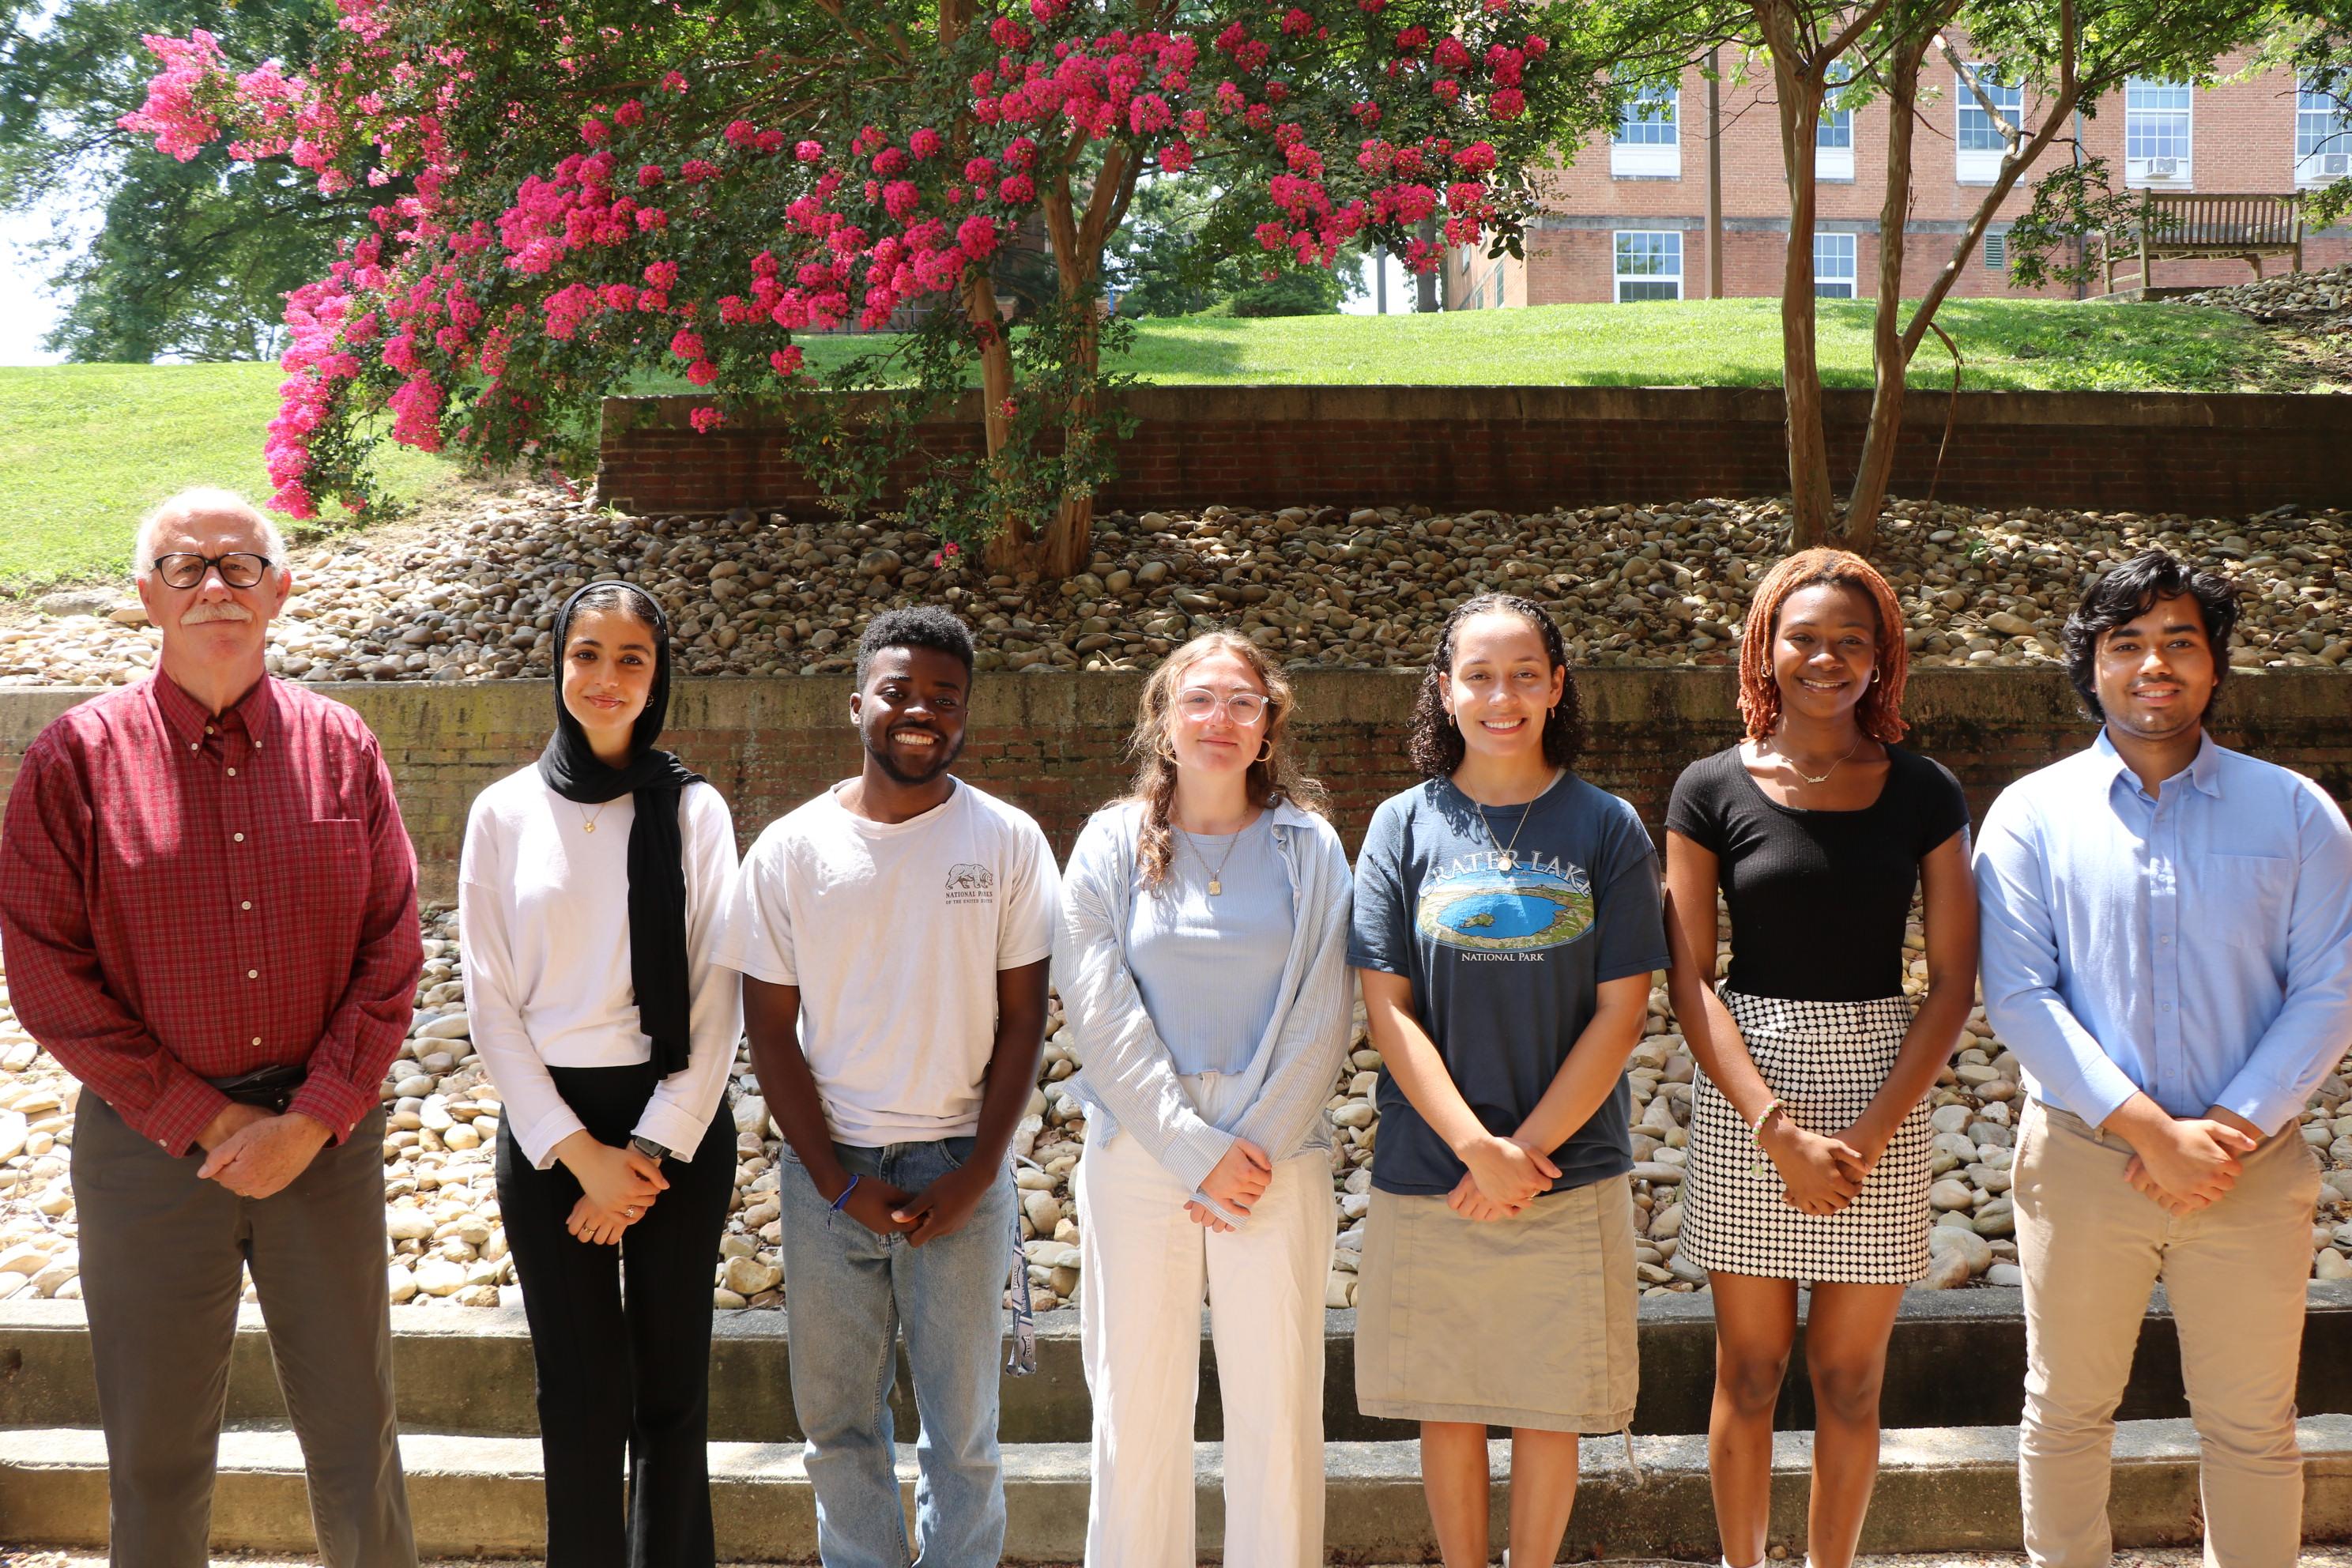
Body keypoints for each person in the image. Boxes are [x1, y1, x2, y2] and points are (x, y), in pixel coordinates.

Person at [0, 488, 420, 1567]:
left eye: (240, 564)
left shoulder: (343, 748)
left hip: (324, 1146)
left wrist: (314, 1117)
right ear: (146, 597)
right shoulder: (75, 761)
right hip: (148, 1155)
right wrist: (197, 1118)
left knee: (356, 1437)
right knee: (153, 1448)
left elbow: (391, 953)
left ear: (281, 588)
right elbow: (47, 975)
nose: (215, 587)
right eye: (185, 568)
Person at [1974, 550, 2352, 1568]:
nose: (2155, 665)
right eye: (2127, 644)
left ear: (2216, 667)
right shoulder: (2029, 817)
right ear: (2091, 668)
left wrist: (2222, 1133)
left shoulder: (2299, 814)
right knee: (2064, 1411)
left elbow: (2331, 987)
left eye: (2180, 642)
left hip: (2251, 1163)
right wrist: (2151, 1131)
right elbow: (2018, 993)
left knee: (2254, 1425)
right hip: (2085, 1162)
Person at [710, 606, 1058, 1568]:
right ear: (856, 699)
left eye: (945, 698)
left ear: (966, 717)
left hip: (961, 1166)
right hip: (832, 1178)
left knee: (967, 1437)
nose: (921, 711)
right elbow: (769, 1029)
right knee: (838, 1430)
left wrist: (981, 1168)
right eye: (899, 690)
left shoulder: (1008, 841)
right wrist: (832, 1178)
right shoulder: (788, 849)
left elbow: (1025, 1017)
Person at [1660, 548, 1979, 1568]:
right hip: (1749, 1088)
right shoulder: (1709, 785)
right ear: (1765, 647)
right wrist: (1776, 1127)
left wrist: (1869, 1131)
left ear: (1881, 656)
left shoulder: (1924, 790)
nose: (1826, 657)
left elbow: (1954, 983)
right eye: (1804, 636)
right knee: (1748, 1373)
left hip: (1881, 1089)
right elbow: (1693, 981)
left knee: (1850, 1380)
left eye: (1852, 640)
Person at [1348, 592, 1667, 1568]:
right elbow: (1387, 1007)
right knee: (1447, 1401)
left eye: (1525, 673)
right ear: (1443, 691)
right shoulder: (1400, 826)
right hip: (1432, 1166)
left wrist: (1522, 1154)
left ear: (1557, 685)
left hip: (1566, 1171)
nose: (1502, 696)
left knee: (1550, 1402)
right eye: (1478, 675)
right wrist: (1475, 1150)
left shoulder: (1608, 826)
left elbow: (1623, 1011)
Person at [1055, 631, 1354, 1568]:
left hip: (1278, 1158)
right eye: (1200, 700)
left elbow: (1326, 1008)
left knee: (1278, 1412)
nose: (1220, 719)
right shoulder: (1108, 842)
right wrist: (1193, 1150)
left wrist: (1248, 1145)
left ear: (1270, 725)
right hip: (1142, 1154)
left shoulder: (1312, 846)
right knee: (1135, 1409)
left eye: (1242, 702)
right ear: (1163, 718)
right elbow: (1096, 1011)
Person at [458, 580, 741, 1567]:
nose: (606, 676)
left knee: (670, 1392)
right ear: (558, 664)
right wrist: (582, 1157)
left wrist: (647, 1152)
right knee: (577, 1394)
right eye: (587, 653)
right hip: (550, 1133)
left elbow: (716, 995)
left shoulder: (696, 811)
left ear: (659, 676)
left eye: (631, 657)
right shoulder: (502, 812)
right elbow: (489, 1003)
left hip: (676, 1128)